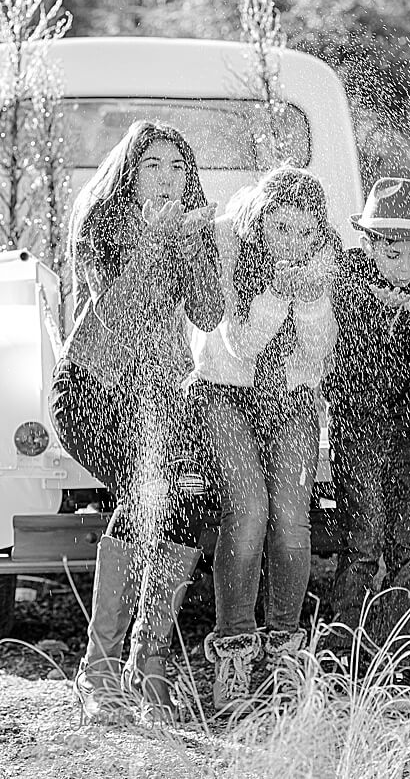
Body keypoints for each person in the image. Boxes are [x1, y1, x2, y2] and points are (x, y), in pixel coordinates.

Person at [52, 120, 222, 722]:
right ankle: (97, 670)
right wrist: (160, 238)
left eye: (178, 167)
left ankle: (146, 663)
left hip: (154, 400)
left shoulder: (187, 231)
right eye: (153, 165)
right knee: (145, 490)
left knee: (181, 506)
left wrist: (197, 247)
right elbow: (118, 308)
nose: (168, 177)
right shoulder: (107, 226)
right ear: (131, 172)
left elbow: (208, 313)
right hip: (90, 391)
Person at [193, 166, 339, 709]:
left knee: (291, 518)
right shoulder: (231, 248)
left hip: (294, 398)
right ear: (261, 221)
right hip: (226, 390)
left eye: (305, 231)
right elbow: (241, 343)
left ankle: (284, 648)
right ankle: (233, 648)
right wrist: (279, 292)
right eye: (283, 228)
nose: (295, 241)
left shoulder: (324, 260)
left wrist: (310, 298)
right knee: (249, 509)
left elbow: (320, 349)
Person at [326, 177, 410, 662]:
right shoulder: (350, 273)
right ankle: (338, 651)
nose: (405, 267)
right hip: (357, 420)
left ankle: (397, 653)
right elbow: (347, 357)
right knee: (364, 540)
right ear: (369, 242)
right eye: (393, 253)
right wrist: (383, 315)